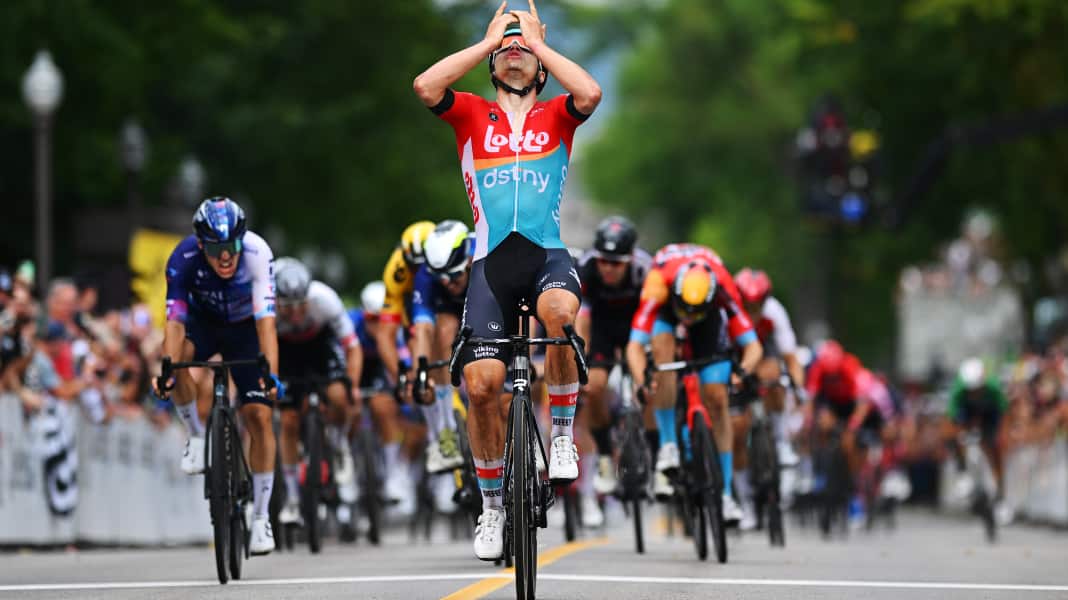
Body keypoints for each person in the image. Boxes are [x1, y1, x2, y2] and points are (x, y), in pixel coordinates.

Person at [413, 0, 601, 560]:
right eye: (507, 49)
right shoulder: (472, 114)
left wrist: (538, 43)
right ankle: (492, 507)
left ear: (540, 67)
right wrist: (486, 42)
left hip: (546, 255)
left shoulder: (557, 115)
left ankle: (561, 435)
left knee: (560, 316)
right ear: (494, 64)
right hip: (491, 265)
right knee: (481, 388)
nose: (514, 52)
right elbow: (425, 86)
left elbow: (590, 93)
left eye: (524, 50)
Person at [153, 197, 281, 555]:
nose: (225, 257)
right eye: (215, 249)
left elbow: (267, 325)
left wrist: (270, 375)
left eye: (231, 247)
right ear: (200, 245)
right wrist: (166, 368)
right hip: (203, 324)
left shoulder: (258, 253)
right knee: (177, 364)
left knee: (259, 415)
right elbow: (174, 323)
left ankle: (261, 518)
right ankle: (196, 435)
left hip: (246, 329)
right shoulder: (182, 259)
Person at [626, 244, 762, 524]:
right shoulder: (658, 284)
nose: (687, 318)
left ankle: (726, 494)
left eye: (694, 314)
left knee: (717, 397)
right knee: (662, 352)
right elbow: (634, 346)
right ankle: (668, 444)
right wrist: (643, 380)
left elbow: (753, 346)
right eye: (684, 311)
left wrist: (742, 372)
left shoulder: (723, 288)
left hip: (708, 324)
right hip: (666, 315)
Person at [273, 257, 363, 538]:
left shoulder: (325, 300)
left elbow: (353, 348)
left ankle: (338, 443)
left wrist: (353, 386)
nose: (295, 313)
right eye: (287, 307)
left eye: (300, 305)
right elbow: (262, 351)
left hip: (320, 347)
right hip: (284, 352)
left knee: (339, 395)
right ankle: (292, 497)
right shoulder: (265, 308)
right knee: (288, 420)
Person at [574, 216, 652, 526]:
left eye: (616, 264)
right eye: (604, 261)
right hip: (602, 328)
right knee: (593, 386)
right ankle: (605, 455)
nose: (608, 268)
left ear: (630, 259)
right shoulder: (586, 268)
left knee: (651, 385)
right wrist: (581, 355)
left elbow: (656, 316)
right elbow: (582, 318)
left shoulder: (645, 270)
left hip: (637, 326)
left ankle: (655, 449)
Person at [411, 219, 477, 512]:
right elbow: (422, 329)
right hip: (449, 311)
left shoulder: (483, 254)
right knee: (441, 334)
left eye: (453, 275)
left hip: (485, 298)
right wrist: (422, 372)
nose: (448, 282)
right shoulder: (428, 277)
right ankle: (446, 433)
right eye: (441, 277)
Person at [731, 267, 804, 528]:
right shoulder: (728, 311)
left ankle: (780, 440)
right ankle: (746, 502)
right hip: (735, 357)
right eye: (748, 305)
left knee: (774, 376)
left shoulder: (774, 312)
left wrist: (797, 386)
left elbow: (791, 357)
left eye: (757, 306)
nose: (753, 311)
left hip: (763, 354)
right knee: (736, 432)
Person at [350, 281, 417, 514]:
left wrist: (407, 389)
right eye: (371, 319)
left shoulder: (395, 333)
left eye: (381, 319)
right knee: (347, 408)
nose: (377, 325)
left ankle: (391, 473)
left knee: (385, 407)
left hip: (380, 368)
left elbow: (403, 368)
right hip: (354, 366)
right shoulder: (350, 324)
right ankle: (346, 465)